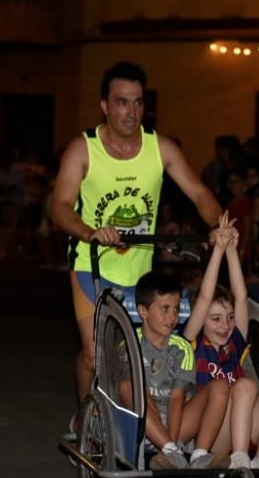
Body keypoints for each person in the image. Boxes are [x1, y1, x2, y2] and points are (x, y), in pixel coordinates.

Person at [51, 61, 221, 404]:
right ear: (105, 106)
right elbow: (59, 206)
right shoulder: (83, 149)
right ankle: (87, 414)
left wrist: (218, 225)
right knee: (94, 353)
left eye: (139, 102)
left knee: (138, 357)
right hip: (91, 264)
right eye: (122, 102)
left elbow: (201, 195)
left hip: (139, 271)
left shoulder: (161, 148)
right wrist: (89, 232)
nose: (132, 111)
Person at [183, 213, 259, 470]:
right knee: (242, 386)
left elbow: (242, 299)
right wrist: (218, 251)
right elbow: (205, 296)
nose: (225, 325)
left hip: (242, 427)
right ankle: (239, 457)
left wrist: (232, 250)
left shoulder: (234, 342)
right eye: (216, 319)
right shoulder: (193, 343)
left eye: (229, 318)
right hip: (212, 434)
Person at [131, 271, 230, 470]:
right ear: (143, 311)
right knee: (129, 386)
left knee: (220, 385)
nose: (172, 316)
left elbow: (176, 399)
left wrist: (173, 445)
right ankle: (170, 451)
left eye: (176, 309)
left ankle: (199, 455)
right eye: (165, 309)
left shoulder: (182, 348)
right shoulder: (129, 341)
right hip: (141, 422)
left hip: (175, 426)